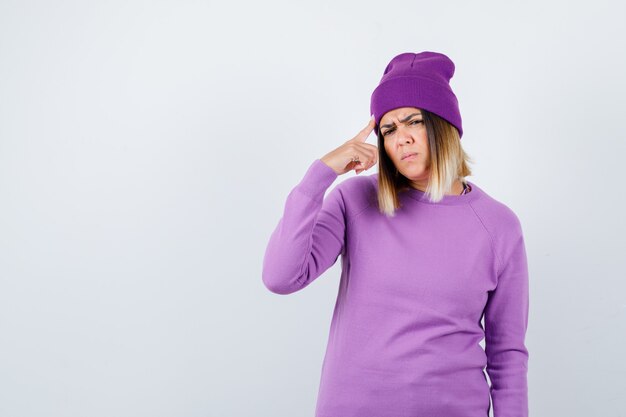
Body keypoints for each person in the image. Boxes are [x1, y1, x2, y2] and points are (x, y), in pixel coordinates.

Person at [262, 51, 529, 417]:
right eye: (388, 130)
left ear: (444, 125)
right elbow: (281, 277)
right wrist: (320, 174)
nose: (401, 138)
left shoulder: (498, 225)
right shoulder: (355, 201)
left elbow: (507, 352)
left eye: (413, 122)